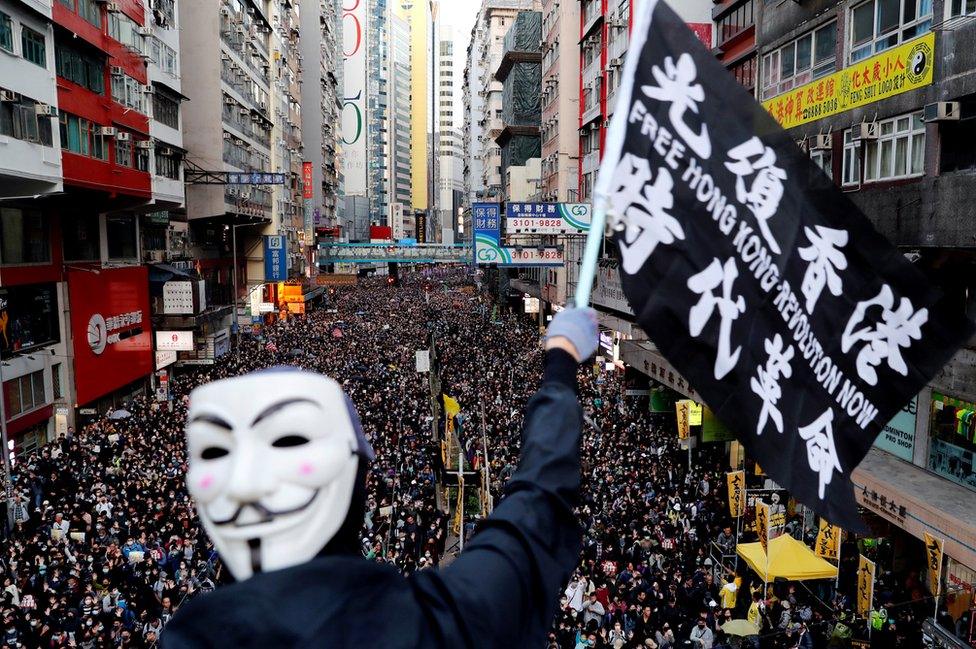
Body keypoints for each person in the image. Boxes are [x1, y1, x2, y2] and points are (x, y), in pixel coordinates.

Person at [161, 307, 598, 648]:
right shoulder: (437, 626)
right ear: (362, 481)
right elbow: (537, 499)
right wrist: (560, 358)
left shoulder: (182, 637)